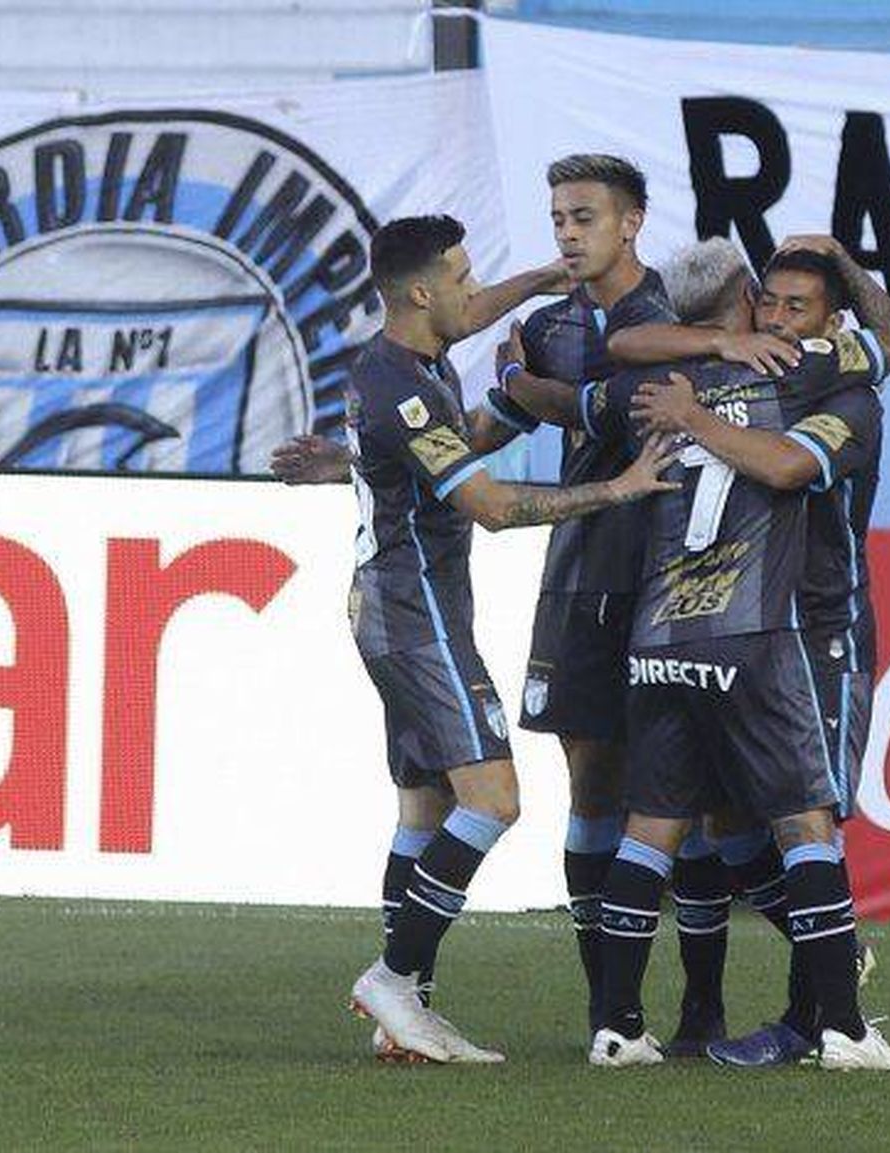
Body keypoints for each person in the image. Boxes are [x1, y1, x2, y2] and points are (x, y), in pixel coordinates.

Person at [512, 237, 890, 1070]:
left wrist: (518, 384)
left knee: (681, 829)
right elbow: (825, 422)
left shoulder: (675, 381)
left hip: (677, 633)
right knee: (797, 826)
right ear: (742, 306)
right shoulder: (809, 375)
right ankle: (833, 1019)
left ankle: (636, 1024)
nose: (776, 318)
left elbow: (601, 375)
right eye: (768, 302)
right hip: (780, 631)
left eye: (794, 308)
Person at [341, 214, 677, 1064]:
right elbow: (491, 508)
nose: (471, 290)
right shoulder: (404, 387)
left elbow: (472, 345)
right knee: (493, 799)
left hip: (401, 603)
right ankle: (393, 977)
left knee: (424, 804)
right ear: (421, 293)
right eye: (459, 277)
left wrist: (535, 285)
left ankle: (403, 1014)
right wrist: (617, 486)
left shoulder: (412, 360)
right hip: (413, 613)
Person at [506, 154, 798, 1044]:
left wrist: (527, 387)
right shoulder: (552, 322)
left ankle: (704, 1000)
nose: (567, 231)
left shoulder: (661, 323)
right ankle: (611, 1005)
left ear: (631, 222)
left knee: (692, 793)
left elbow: (615, 402)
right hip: (583, 574)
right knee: (594, 783)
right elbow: (504, 417)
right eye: (558, 215)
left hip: (674, 577)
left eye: (583, 216)